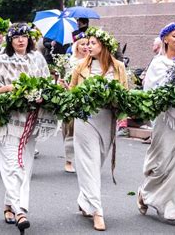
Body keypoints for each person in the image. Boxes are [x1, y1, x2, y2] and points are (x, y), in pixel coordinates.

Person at [0, 22, 50, 233]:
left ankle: (9, 205)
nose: (20, 40)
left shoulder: (38, 59)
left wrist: (41, 96)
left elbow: (47, 85)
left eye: (24, 37)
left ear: (29, 39)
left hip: (30, 121)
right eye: (16, 38)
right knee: (13, 165)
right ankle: (21, 211)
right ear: (10, 41)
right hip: (7, 122)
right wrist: (10, 89)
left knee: (24, 168)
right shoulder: (0, 61)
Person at [137, 23, 175, 230]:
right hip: (165, 119)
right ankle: (145, 193)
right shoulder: (158, 63)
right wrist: (174, 87)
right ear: (165, 39)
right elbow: (152, 91)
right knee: (160, 164)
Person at [69, 27, 127, 231]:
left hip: (106, 119)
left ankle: (85, 199)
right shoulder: (80, 67)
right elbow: (72, 91)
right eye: (87, 43)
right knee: (88, 162)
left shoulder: (118, 67)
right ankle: (97, 211)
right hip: (84, 119)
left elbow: (125, 94)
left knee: (97, 161)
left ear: (104, 46)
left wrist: (119, 107)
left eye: (93, 43)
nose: (88, 46)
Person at [61, 32, 89, 173]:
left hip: (88, 101)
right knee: (70, 131)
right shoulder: (70, 62)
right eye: (82, 44)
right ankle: (69, 161)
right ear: (76, 46)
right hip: (72, 99)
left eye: (87, 44)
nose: (85, 47)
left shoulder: (93, 62)